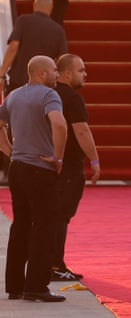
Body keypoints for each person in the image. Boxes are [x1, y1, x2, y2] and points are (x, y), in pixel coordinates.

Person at [0, 55, 68, 302]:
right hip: (40, 168)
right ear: (41, 73)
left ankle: (15, 286)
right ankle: (37, 286)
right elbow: (59, 124)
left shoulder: (14, 96)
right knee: (44, 226)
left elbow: (0, 124)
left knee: (21, 226)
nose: (57, 75)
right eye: (53, 70)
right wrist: (57, 157)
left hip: (17, 168)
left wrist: (10, 151)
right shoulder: (48, 95)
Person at [0, 0, 68, 183]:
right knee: (41, 127)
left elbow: (13, 47)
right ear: (51, 8)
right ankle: (41, 164)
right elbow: (61, 60)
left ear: (35, 5)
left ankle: (12, 165)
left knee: (15, 126)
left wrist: (1, 74)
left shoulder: (24, 21)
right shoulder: (58, 30)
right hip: (45, 88)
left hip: (19, 82)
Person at [50, 54, 100, 281]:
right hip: (68, 166)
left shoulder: (47, 95)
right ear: (67, 73)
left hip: (45, 164)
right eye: (81, 70)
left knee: (46, 216)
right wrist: (94, 159)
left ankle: (43, 262)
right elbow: (81, 130)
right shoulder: (72, 98)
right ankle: (55, 265)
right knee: (61, 217)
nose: (85, 74)